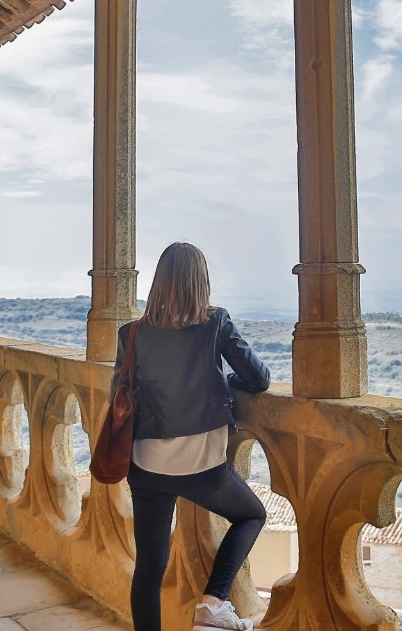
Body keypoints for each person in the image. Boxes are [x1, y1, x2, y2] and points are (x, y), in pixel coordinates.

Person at [113, 242, 271, 631]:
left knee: (149, 570)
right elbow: (258, 379)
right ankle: (213, 603)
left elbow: (120, 395)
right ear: (201, 281)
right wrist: (224, 381)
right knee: (251, 515)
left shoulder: (131, 333)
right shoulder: (215, 323)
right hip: (201, 466)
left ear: (158, 281)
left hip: (146, 466)